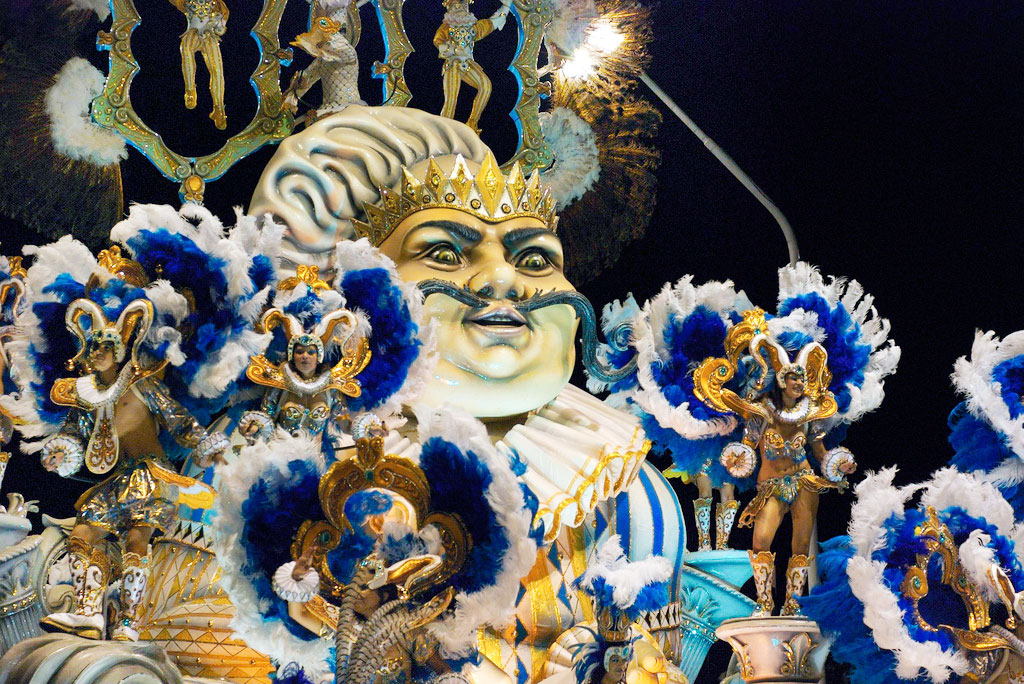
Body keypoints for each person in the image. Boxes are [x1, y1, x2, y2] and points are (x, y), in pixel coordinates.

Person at [38, 299, 226, 641]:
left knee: (137, 540)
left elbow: (177, 418)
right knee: (82, 534)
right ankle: (88, 613)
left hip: (151, 475)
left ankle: (129, 622)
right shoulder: (86, 396)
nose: (98, 353)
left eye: (106, 346)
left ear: (120, 350)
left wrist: (204, 445)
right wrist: (60, 452)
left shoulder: (143, 384)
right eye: (93, 347)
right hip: (118, 479)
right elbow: (73, 435)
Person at [434, 0, 511, 133]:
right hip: (453, 65)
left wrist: (506, 6)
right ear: (450, 7)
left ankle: (472, 123)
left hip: (468, 64)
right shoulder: (446, 28)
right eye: (457, 5)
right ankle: (443, 132)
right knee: (451, 101)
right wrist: (454, 50)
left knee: (486, 86)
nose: (461, 8)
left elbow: (493, 22)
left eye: (464, 5)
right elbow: (438, 42)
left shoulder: (473, 27)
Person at [170, 0, 229, 129]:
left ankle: (219, 108)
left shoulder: (217, 4)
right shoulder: (186, 2)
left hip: (209, 35)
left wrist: (219, 25)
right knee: (186, 48)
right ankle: (190, 90)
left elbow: (222, 24)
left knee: (217, 69)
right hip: (193, 32)